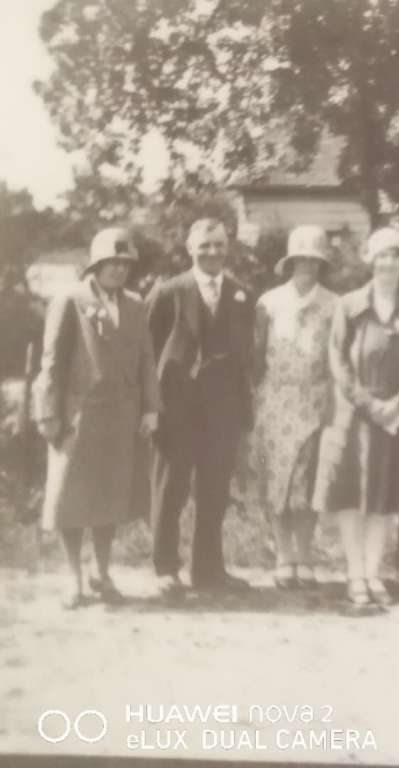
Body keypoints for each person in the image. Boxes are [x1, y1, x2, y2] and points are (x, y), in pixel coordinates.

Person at [33, 228, 160, 608]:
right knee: (70, 498)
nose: (118, 270)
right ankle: (75, 580)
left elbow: (146, 359)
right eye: (111, 263)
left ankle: (102, 573)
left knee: (111, 498)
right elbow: (52, 362)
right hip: (80, 415)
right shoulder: (70, 300)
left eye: (125, 263)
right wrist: (48, 413)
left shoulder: (135, 304)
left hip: (122, 416)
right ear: (96, 264)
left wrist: (151, 408)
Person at [314, 227, 399, 608]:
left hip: (395, 414)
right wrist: (366, 402)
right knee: (352, 495)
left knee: (383, 496)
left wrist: (398, 401)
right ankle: (355, 573)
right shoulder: (349, 304)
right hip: (355, 415)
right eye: (382, 256)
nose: (389, 263)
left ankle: (374, 571)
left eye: (396, 256)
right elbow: (338, 359)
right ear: (371, 260)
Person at [146, 217, 254, 598]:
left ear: (228, 248)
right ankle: (165, 568)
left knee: (214, 491)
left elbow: (245, 357)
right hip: (176, 407)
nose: (212, 252)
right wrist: (151, 406)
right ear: (190, 248)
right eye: (205, 245)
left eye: (219, 245)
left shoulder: (241, 295)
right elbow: (148, 353)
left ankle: (208, 571)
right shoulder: (169, 292)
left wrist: (243, 411)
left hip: (222, 410)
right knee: (170, 488)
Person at [247, 226, 338, 590]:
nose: (307, 266)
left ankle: (305, 555)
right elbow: (256, 355)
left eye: (314, 260)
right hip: (274, 400)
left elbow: (338, 357)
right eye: (300, 259)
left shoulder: (334, 305)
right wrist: (255, 397)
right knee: (277, 479)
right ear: (290, 262)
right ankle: (283, 555)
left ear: (321, 265)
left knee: (308, 480)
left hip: (316, 399)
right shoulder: (269, 303)